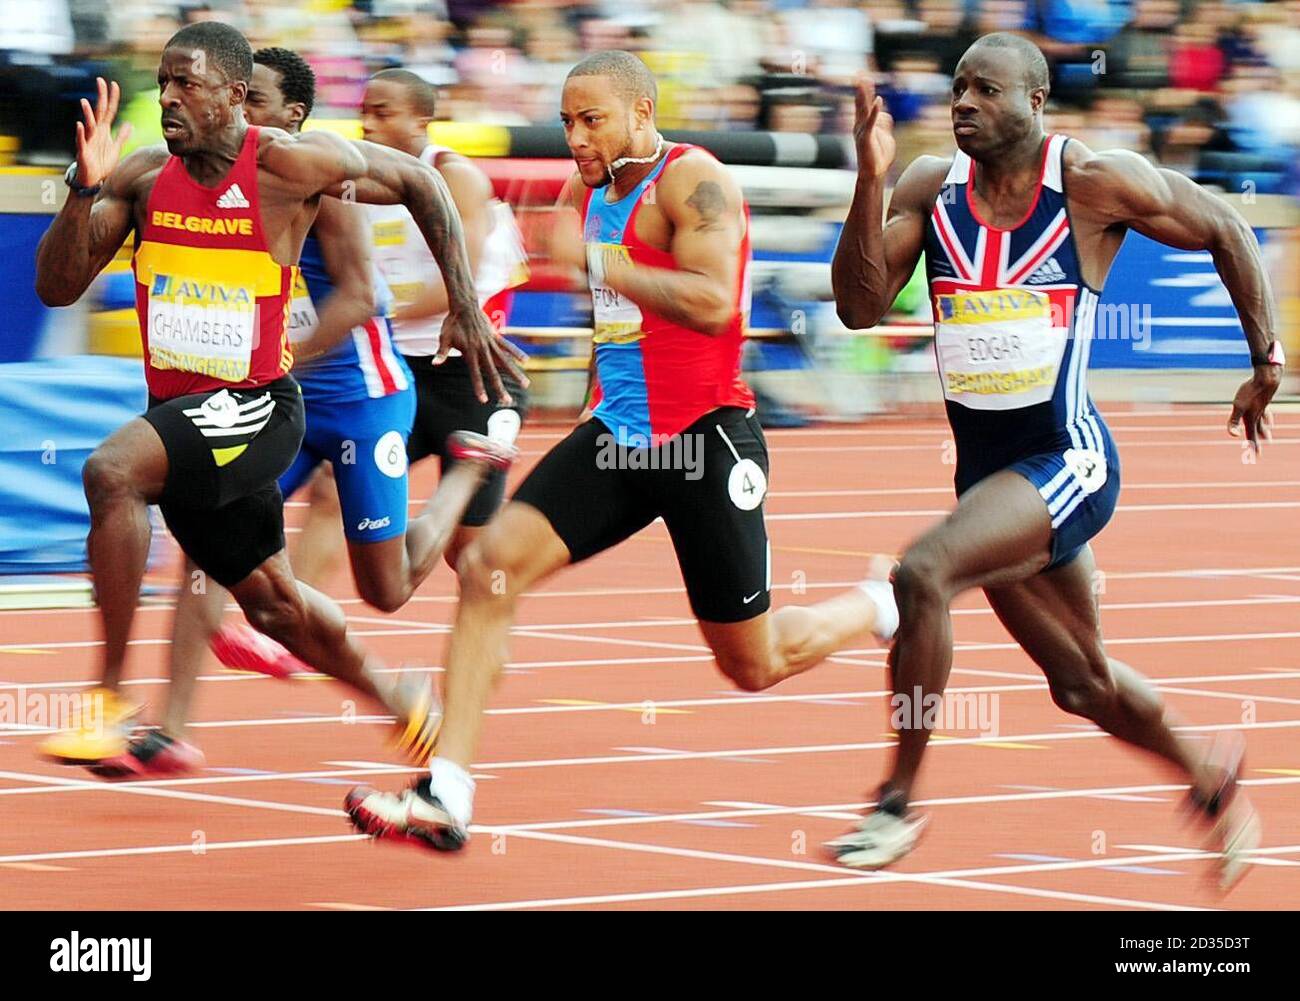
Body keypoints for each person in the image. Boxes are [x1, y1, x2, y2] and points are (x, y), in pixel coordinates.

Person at [343, 50, 900, 851]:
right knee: (487, 568)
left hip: (705, 442)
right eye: (568, 120)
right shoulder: (585, 189)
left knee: (753, 662)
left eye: (591, 119)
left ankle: (877, 604)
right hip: (618, 441)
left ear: (643, 112)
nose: (575, 136)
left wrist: (601, 261)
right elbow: (592, 290)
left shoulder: (693, 179)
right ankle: (447, 792)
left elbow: (712, 302)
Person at [827, 32, 1281, 888]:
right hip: (991, 483)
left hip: (1070, 461)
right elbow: (857, 308)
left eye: (985, 90)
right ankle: (1211, 777)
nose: (963, 102)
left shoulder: (1090, 183)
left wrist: (1266, 362)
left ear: (1036, 104)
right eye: (957, 87)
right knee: (1082, 682)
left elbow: (1224, 224)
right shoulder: (932, 188)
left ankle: (894, 804)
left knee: (923, 573)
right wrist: (869, 175)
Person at [33, 22, 524, 769]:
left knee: (112, 470)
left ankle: (108, 700)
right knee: (273, 604)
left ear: (234, 98)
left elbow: (423, 184)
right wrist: (82, 189)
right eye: (162, 82)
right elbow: (56, 286)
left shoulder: (293, 167)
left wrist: (462, 300)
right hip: (186, 412)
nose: (167, 97)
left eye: (185, 84)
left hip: (262, 405)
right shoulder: (139, 177)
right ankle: (397, 695)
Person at [280, 67, 531, 596]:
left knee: (467, 551)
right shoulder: (360, 177)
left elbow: (455, 282)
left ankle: (489, 624)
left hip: (471, 377)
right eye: (363, 111)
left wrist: (363, 314)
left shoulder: (454, 176)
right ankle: (299, 624)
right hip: (405, 373)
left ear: (422, 118)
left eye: (383, 112)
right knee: (331, 487)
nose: (367, 124)